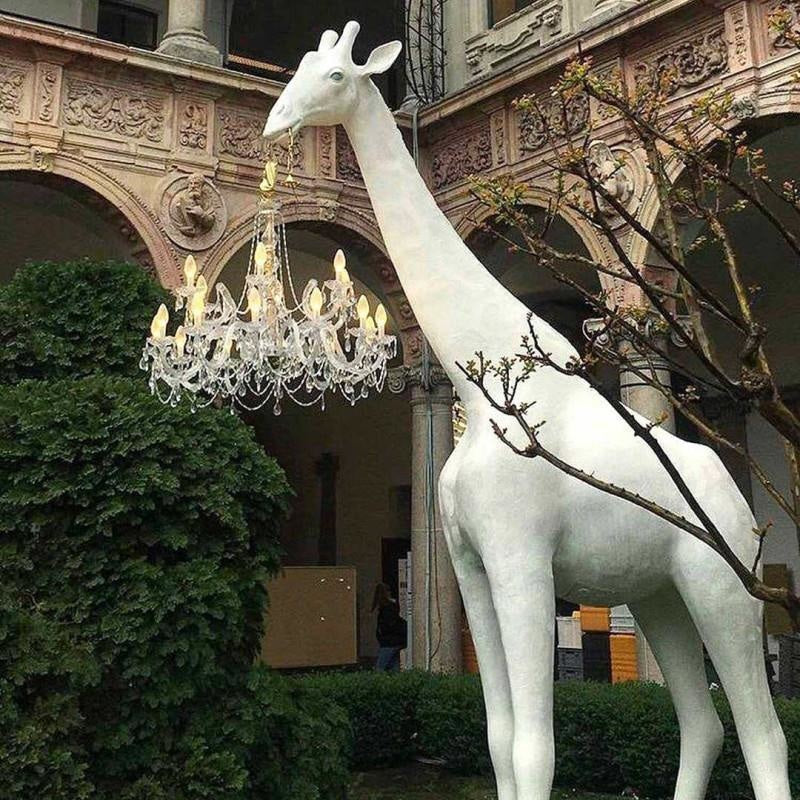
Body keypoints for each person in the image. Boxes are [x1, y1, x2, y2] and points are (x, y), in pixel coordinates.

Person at [372, 582, 407, 671]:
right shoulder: (390, 607)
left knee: (380, 667)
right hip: (395, 640)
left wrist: (381, 633)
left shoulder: (387, 608)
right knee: (394, 665)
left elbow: (389, 625)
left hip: (389, 641)